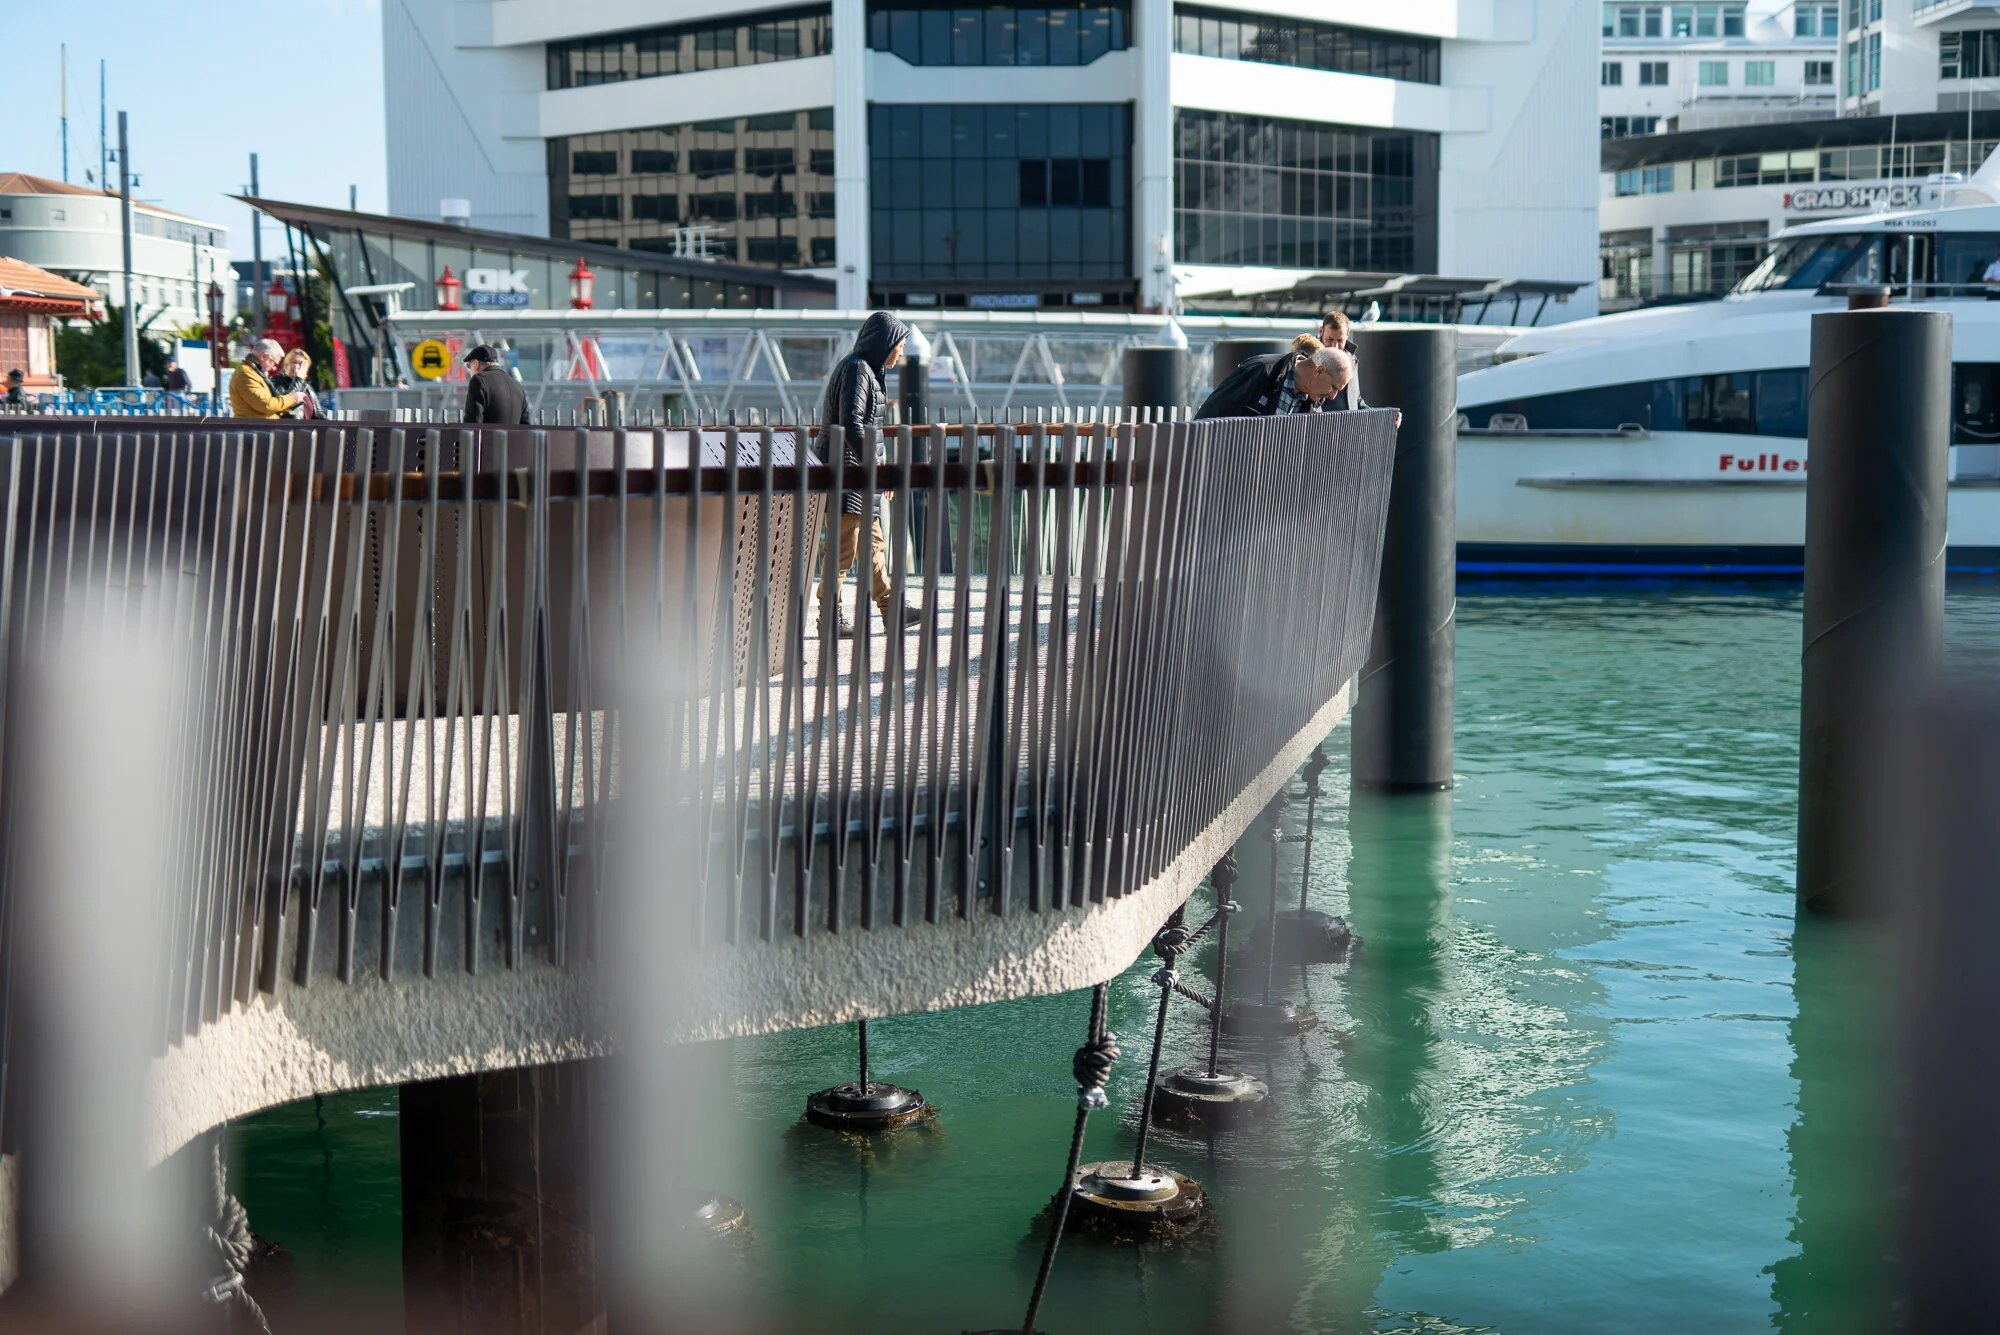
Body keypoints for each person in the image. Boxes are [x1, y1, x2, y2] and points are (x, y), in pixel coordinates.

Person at [820, 311, 923, 638]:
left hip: (857, 473)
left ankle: (892, 610)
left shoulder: (866, 370)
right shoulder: (857, 370)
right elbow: (850, 423)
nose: (902, 353)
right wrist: (876, 469)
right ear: (886, 342)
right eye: (900, 345)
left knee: (874, 545)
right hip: (847, 474)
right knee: (844, 549)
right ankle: (830, 617)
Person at [1195, 344, 1353, 420]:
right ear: (1319, 371)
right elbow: (1212, 411)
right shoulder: (1262, 370)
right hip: (1230, 471)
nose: (1333, 396)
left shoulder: (1313, 400)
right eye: (1334, 387)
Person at [228, 340, 306, 419]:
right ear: (264, 356)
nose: (274, 368)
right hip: (253, 429)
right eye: (274, 363)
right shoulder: (245, 373)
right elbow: (266, 405)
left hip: (260, 428)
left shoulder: (255, 373)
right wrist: (292, 398)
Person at [462, 345, 531, 424]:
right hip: (516, 436)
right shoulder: (517, 385)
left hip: (489, 436)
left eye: (468, 366)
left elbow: (473, 422)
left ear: (476, 363)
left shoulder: (479, 380)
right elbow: (526, 425)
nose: (469, 370)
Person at [1317, 310, 1364, 410]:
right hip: (1319, 424)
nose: (1335, 346)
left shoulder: (1352, 359)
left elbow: (1356, 400)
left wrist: (1388, 417)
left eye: (1340, 340)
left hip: (1350, 424)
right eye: (1330, 339)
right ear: (1321, 331)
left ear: (1348, 333)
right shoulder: (1308, 357)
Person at [268, 349, 321, 420]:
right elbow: (283, 403)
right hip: (289, 428)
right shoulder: (276, 381)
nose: (297, 366)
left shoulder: (307, 386)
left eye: (301, 364)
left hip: (308, 430)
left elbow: (318, 413)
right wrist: (298, 379)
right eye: (294, 362)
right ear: (286, 365)